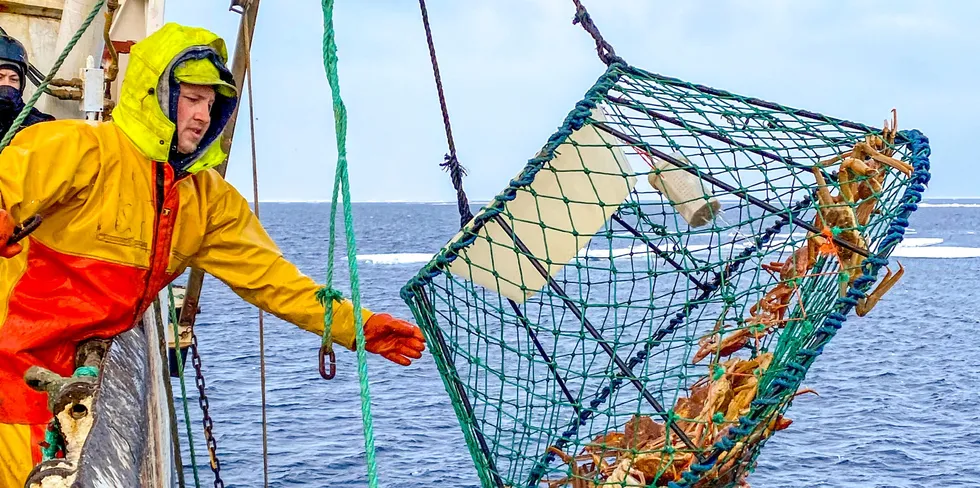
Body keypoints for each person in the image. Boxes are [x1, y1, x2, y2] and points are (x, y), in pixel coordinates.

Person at [0, 23, 425, 486]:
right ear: (155, 94)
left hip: (71, 376)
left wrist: (354, 326)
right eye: (191, 98)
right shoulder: (78, 149)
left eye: (211, 103)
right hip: (14, 370)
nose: (202, 115)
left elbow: (274, 280)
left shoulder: (208, 201)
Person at [0, 33, 53, 137]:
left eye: (13, 79)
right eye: (0, 77)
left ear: (22, 85)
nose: (6, 84)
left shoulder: (38, 125)